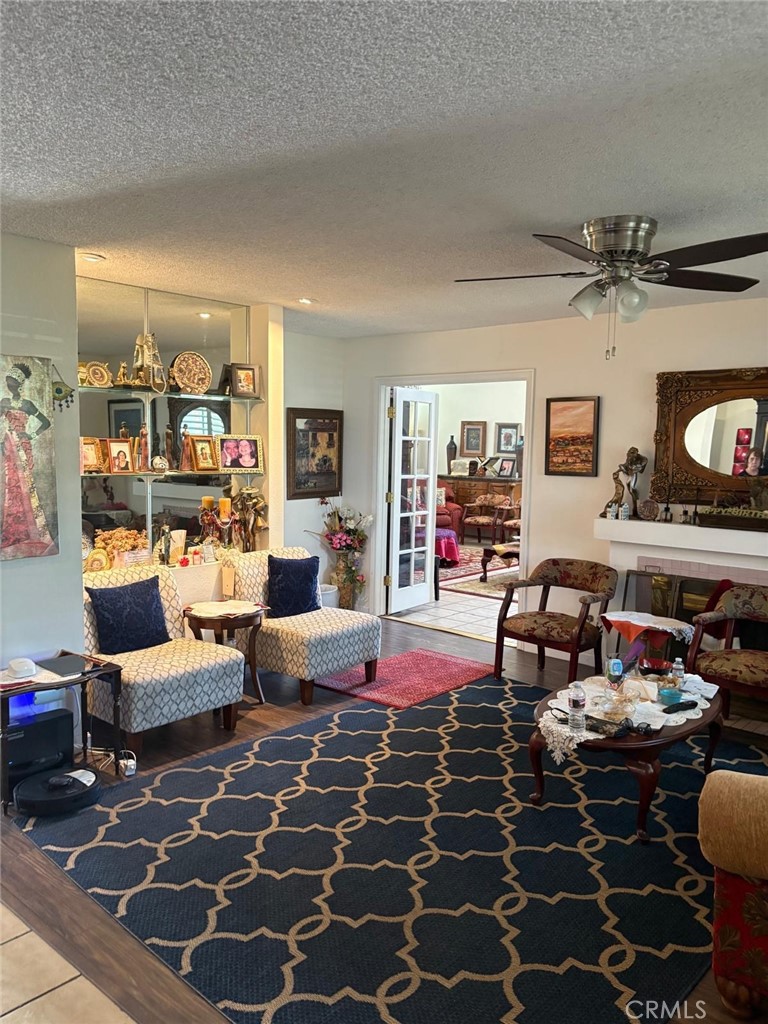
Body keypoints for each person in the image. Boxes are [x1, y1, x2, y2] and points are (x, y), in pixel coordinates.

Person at [1, 361, 54, 557]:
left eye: (12, 383)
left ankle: (32, 531)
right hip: (8, 446)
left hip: (23, 447)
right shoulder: (4, 402)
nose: (9, 386)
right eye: (7, 382)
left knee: (25, 487)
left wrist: (29, 435)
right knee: (11, 487)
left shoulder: (27, 404)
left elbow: (46, 422)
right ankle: (14, 532)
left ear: (20, 384)